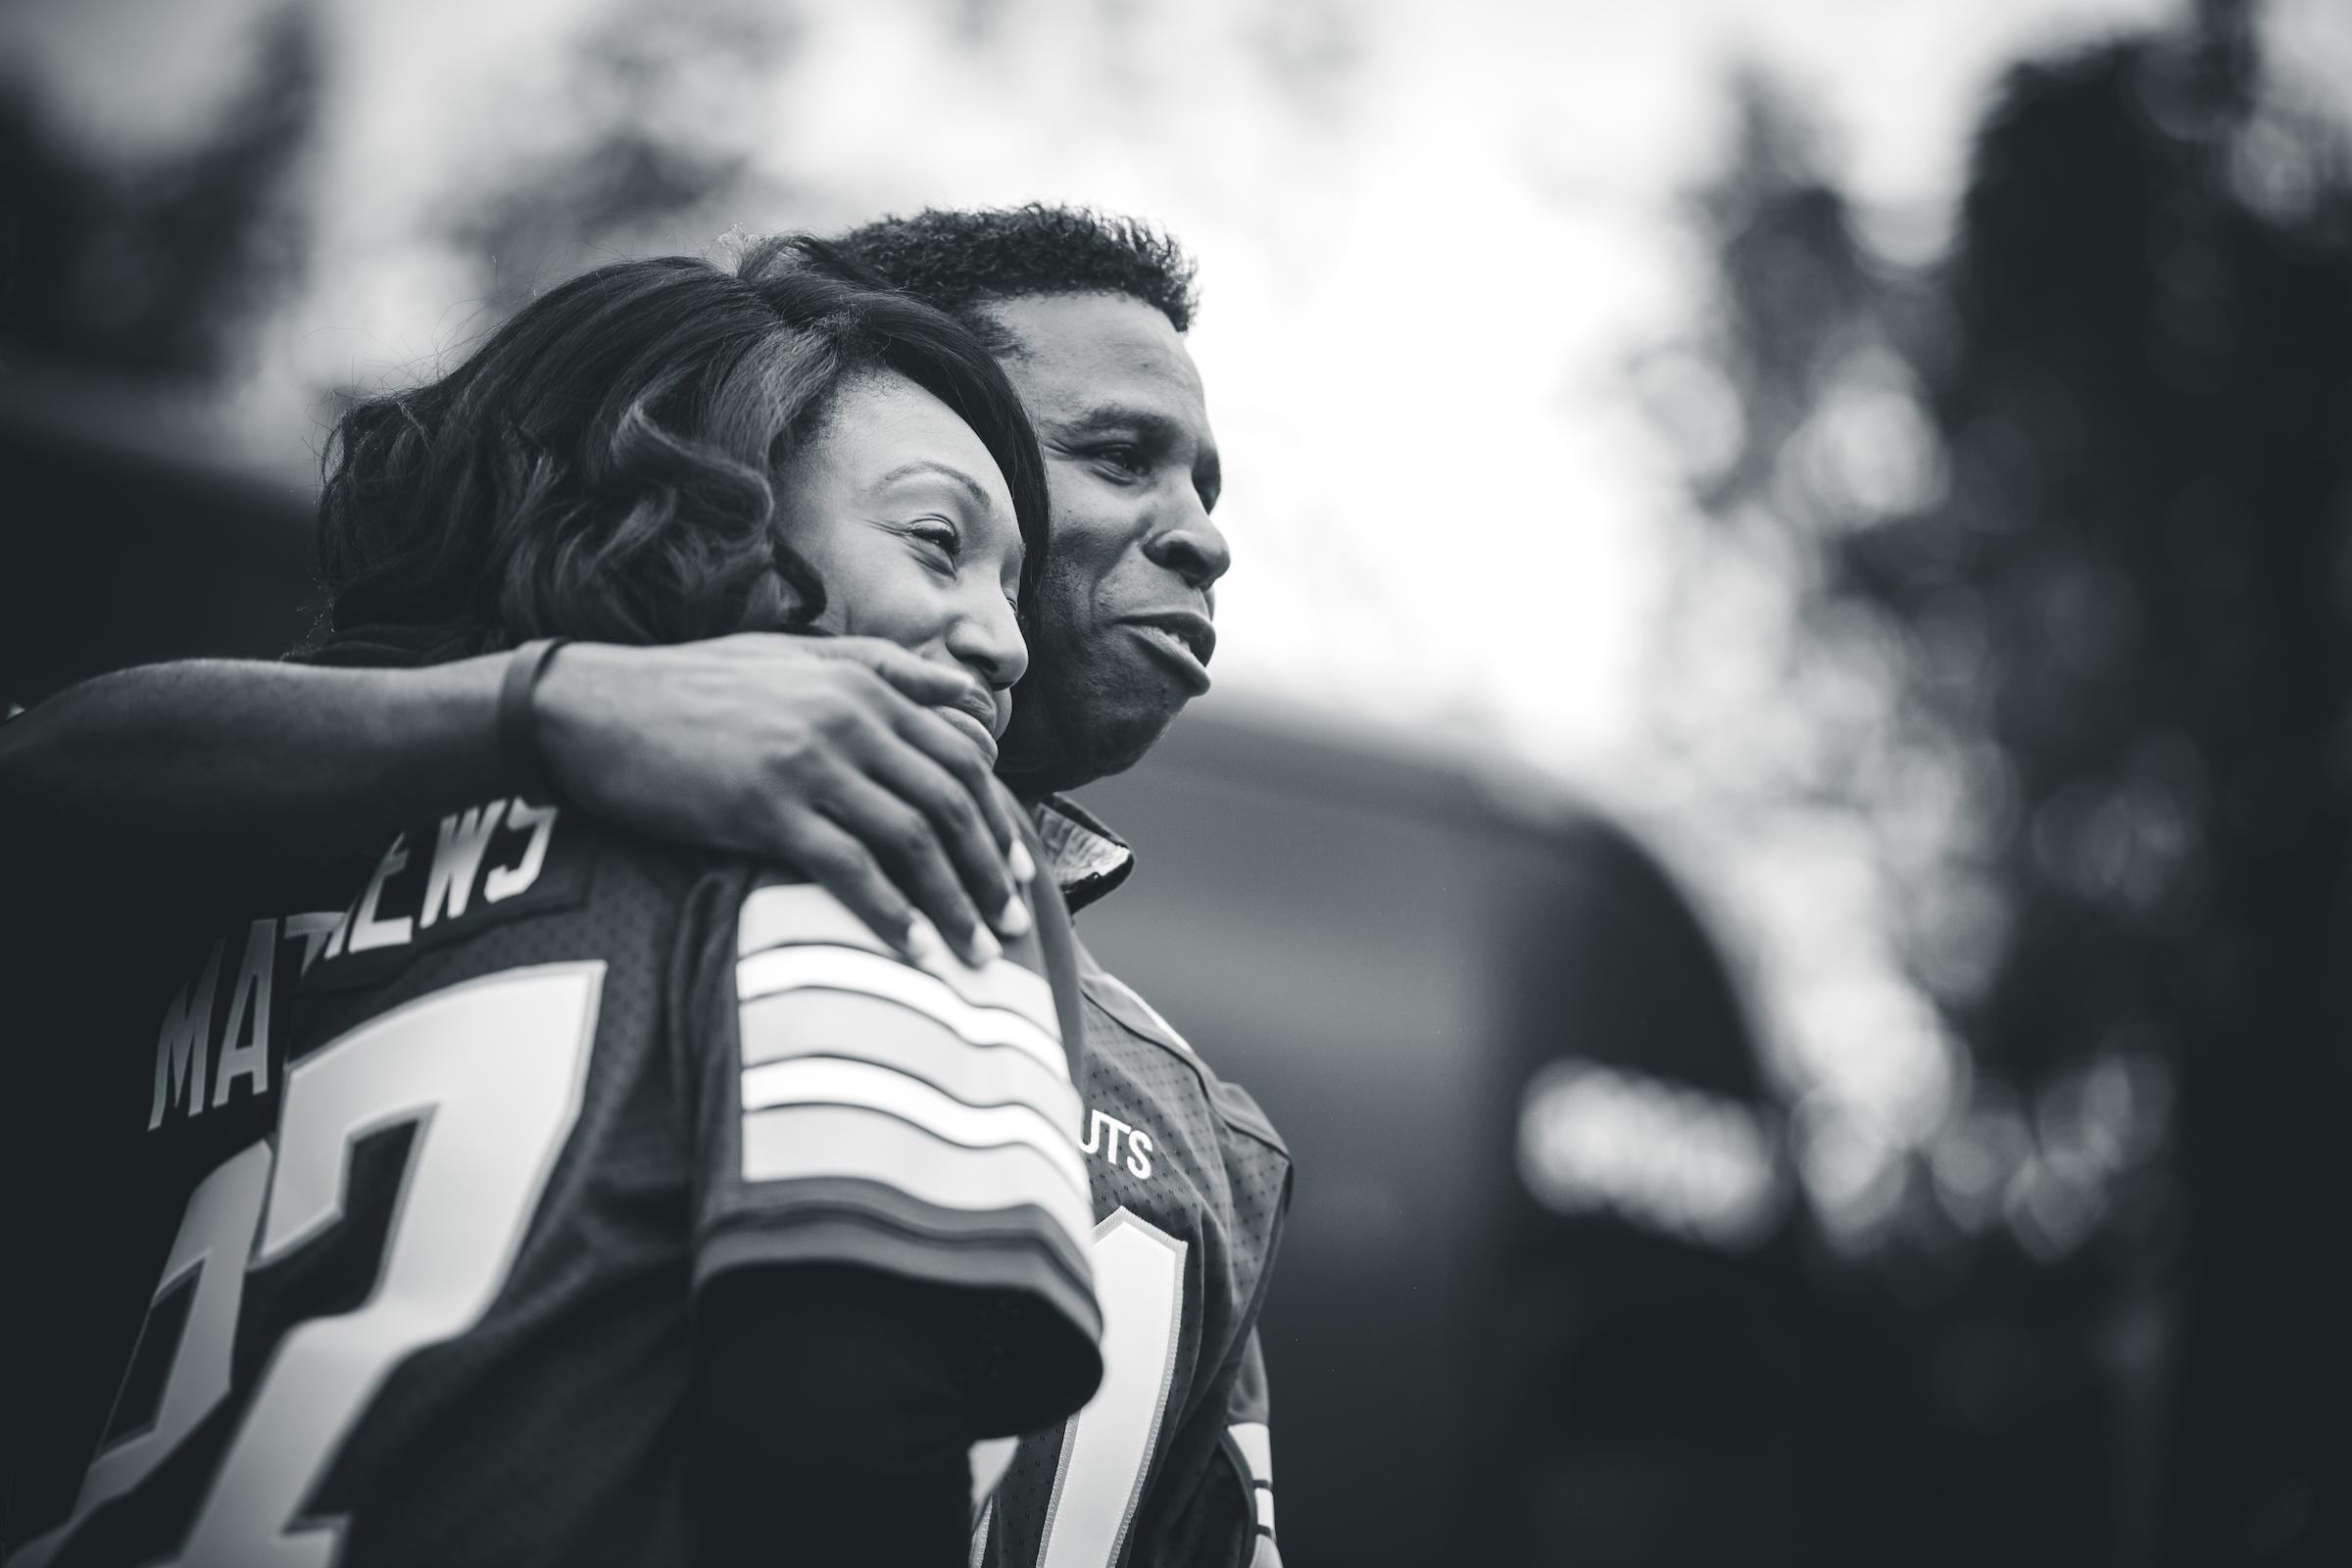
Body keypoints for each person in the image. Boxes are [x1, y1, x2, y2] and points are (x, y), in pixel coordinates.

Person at [0, 205, 1290, 1568]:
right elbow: (840, 1452)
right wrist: (554, 709)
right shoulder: (860, 862)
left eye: (1206, 489)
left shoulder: (1208, 1134)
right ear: (742, 468)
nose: (1202, 538)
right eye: (1113, 456)